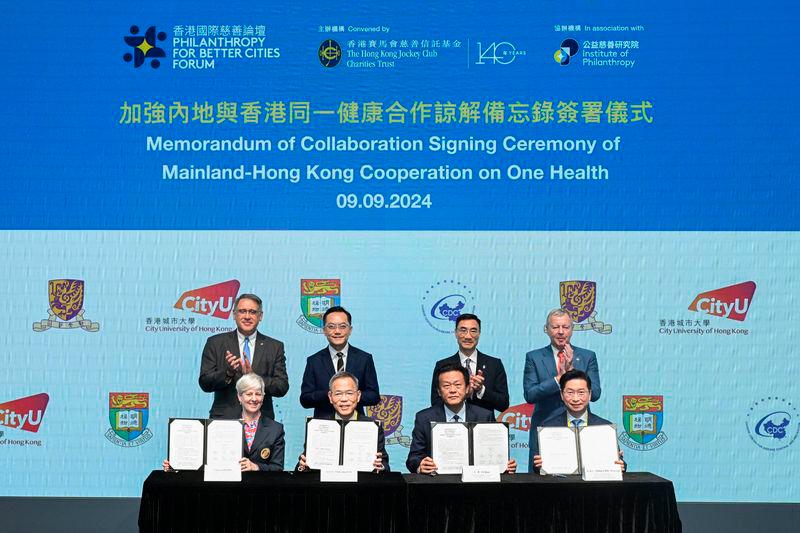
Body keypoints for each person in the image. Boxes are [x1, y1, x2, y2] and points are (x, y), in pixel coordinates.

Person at [408, 362, 517, 474]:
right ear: (439, 392)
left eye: (458, 385)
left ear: (467, 389)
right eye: (446, 386)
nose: (452, 390)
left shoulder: (484, 416)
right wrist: (420, 465)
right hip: (438, 483)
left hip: (477, 484)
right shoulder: (424, 418)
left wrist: (505, 465)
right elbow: (413, 458)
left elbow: (494, 452)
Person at [523, 308, 601, 465]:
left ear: (572, 329)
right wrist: (559, 379)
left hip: (581, 427)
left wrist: (572, 372)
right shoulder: (534, 357)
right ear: (546, 329)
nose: (560, 332)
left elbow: (596, 394)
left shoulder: (587, 356)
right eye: (555, 327)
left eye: (565, 327)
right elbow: (530, 395)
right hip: (545, 427)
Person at [164, 373, 285, 472]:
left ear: (263, 397)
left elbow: (278, 468)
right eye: (248, 394)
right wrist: (176, 465)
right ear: (239, 397)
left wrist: (256, 467)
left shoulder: (276, 429)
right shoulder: (220, 425)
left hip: (261, 493)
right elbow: (206, 462)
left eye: (258, 394)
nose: (254, 399)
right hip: (228, 491)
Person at [199, 293, 288, 420]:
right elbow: (205, 383)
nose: (247, 316)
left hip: (262, 423)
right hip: (225, 420)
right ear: (234, 314)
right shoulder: (216, 343)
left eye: (252, 312)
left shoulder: (274, 346)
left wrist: (254, 376)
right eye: (242, 311)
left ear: (260, 316)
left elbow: (282, 387)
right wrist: (228, 373)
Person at [531, 369, 624, 473]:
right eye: (570, 392)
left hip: (596, 487)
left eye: (581, 392)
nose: (575, 398)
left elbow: (619, 464)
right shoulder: (547, 427)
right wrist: (538, 465)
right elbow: (537, 467)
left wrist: (621, 465)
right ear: (562, 394)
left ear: (589, 394)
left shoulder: (606, 427)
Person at [297, 371, 389, 472]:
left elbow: (385, 465)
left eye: (349, 393)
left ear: (358, 396)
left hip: (360, 485)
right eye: (338, 394)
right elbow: (301, 467)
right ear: (330, 397)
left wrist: (380, 466)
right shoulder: (317, 426)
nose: (344, 399)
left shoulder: (372, 427)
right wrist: (302, 466)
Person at [300, 306, 379, 417]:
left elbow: (374, 396)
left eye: (342, 326)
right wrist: (332, 395)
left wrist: (350, 396)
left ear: (350, 330)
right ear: (324, 330)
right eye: (331, 327)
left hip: (356, 423)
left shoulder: (364, 358)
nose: (337, 331)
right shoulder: (314, 361)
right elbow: (305, 400)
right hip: (324, 425)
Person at [429, 313, 509, 414]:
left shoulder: (494, 364)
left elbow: (504, 404)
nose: (468, 336)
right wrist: (460, 394)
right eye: (463, 330)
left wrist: (481, 390)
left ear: (479, 334)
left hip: (485, 426)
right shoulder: (442, 365)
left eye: (473, 331)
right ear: (455, 333)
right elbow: (436, 403)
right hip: (452, 426)